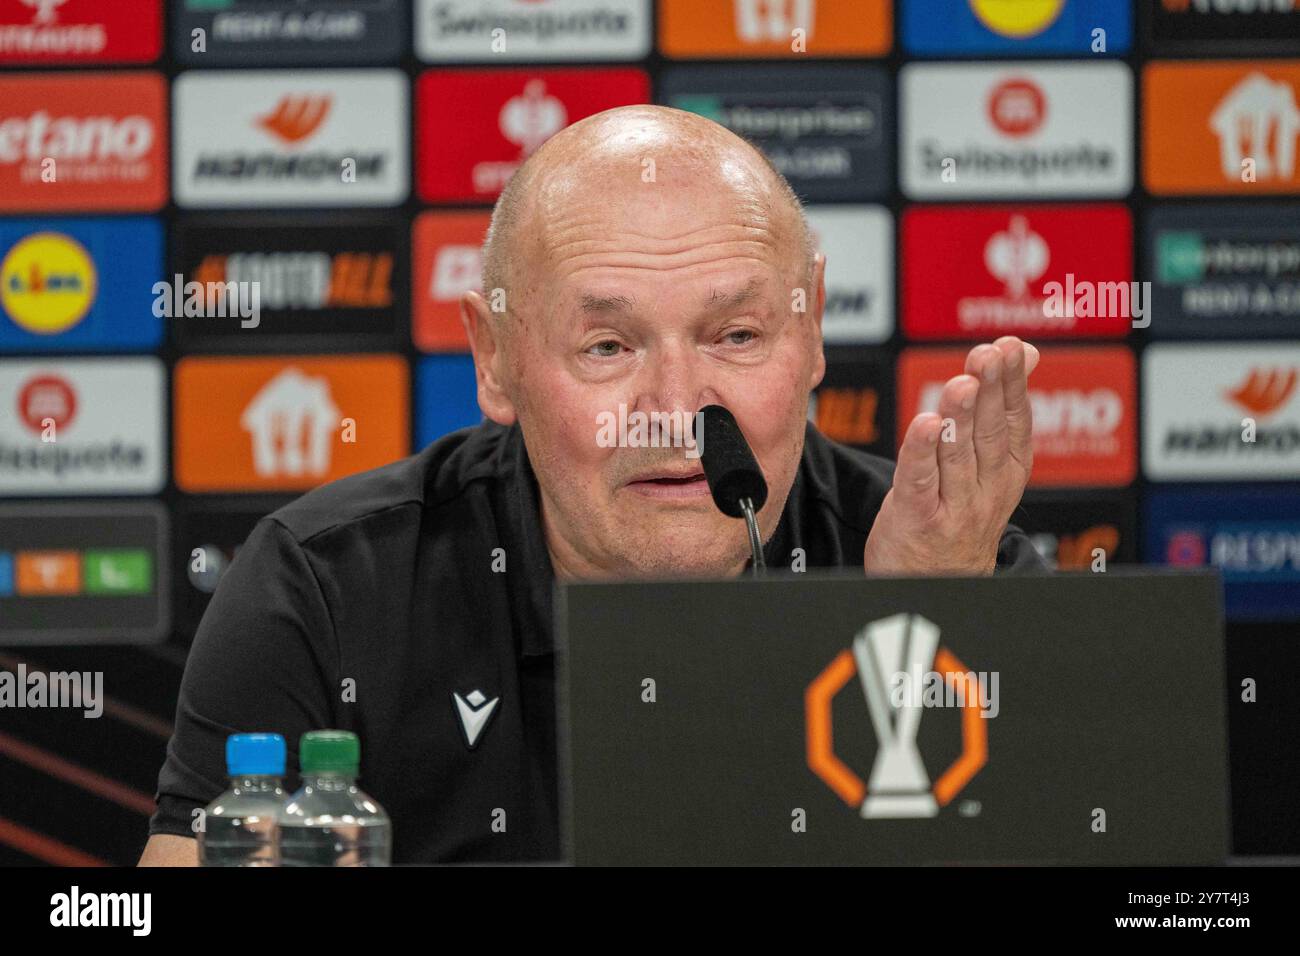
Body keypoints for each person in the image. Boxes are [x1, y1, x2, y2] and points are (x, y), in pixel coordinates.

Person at [139, 105, 1044, 865]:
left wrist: (910, 636)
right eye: (608, 347)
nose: (678, 411)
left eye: (736, 336)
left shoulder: (951, 569)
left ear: (810, 336)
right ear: (494, 358)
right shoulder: (328, 591)